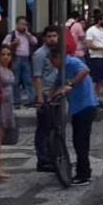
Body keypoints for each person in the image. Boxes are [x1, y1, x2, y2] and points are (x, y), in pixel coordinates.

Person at [50, 49, 98, 186]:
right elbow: (56, 84)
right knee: (79, 141)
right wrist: (49, 98)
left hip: (85, 105)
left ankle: (84, 174)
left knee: (81, 142)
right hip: (77, 108)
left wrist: (69, 85)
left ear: (58, 57)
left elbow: (84, 71)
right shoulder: (62, 69)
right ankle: (83, 170)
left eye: (53, 61)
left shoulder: (72, 62)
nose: (52, 64)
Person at [32, 26, 61, 172]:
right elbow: (37, 77)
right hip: (45, 93)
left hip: (56, 93)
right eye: (49, 36)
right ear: (44, 38)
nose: (52, 39)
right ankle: (43, 160)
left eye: (54, 36)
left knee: (55, 127)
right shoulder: (40, 54)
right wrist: (39, 99)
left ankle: (53, 156)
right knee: (44, 128)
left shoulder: (57, 52)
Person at [2, 17, 38, 108]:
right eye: (22, 24)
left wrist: (28, 34)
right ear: (17, 24)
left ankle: (31, 100)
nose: (24, 26)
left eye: (25, 24)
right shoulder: (12, 35)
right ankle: (16, 102)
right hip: (16, 59)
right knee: (15, 81)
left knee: (28, 80)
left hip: (26, 59)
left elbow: (35, 42)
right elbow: (4, 45)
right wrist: (13, 44)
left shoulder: (27, 35)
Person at [85, 16, 103, 102]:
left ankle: (96, 98)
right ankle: (91, 97)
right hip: (94, 57)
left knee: (100, 78)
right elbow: (89, 45)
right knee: (94, 78)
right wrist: (102, 48)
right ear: (99, 20)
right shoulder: (91, 30)